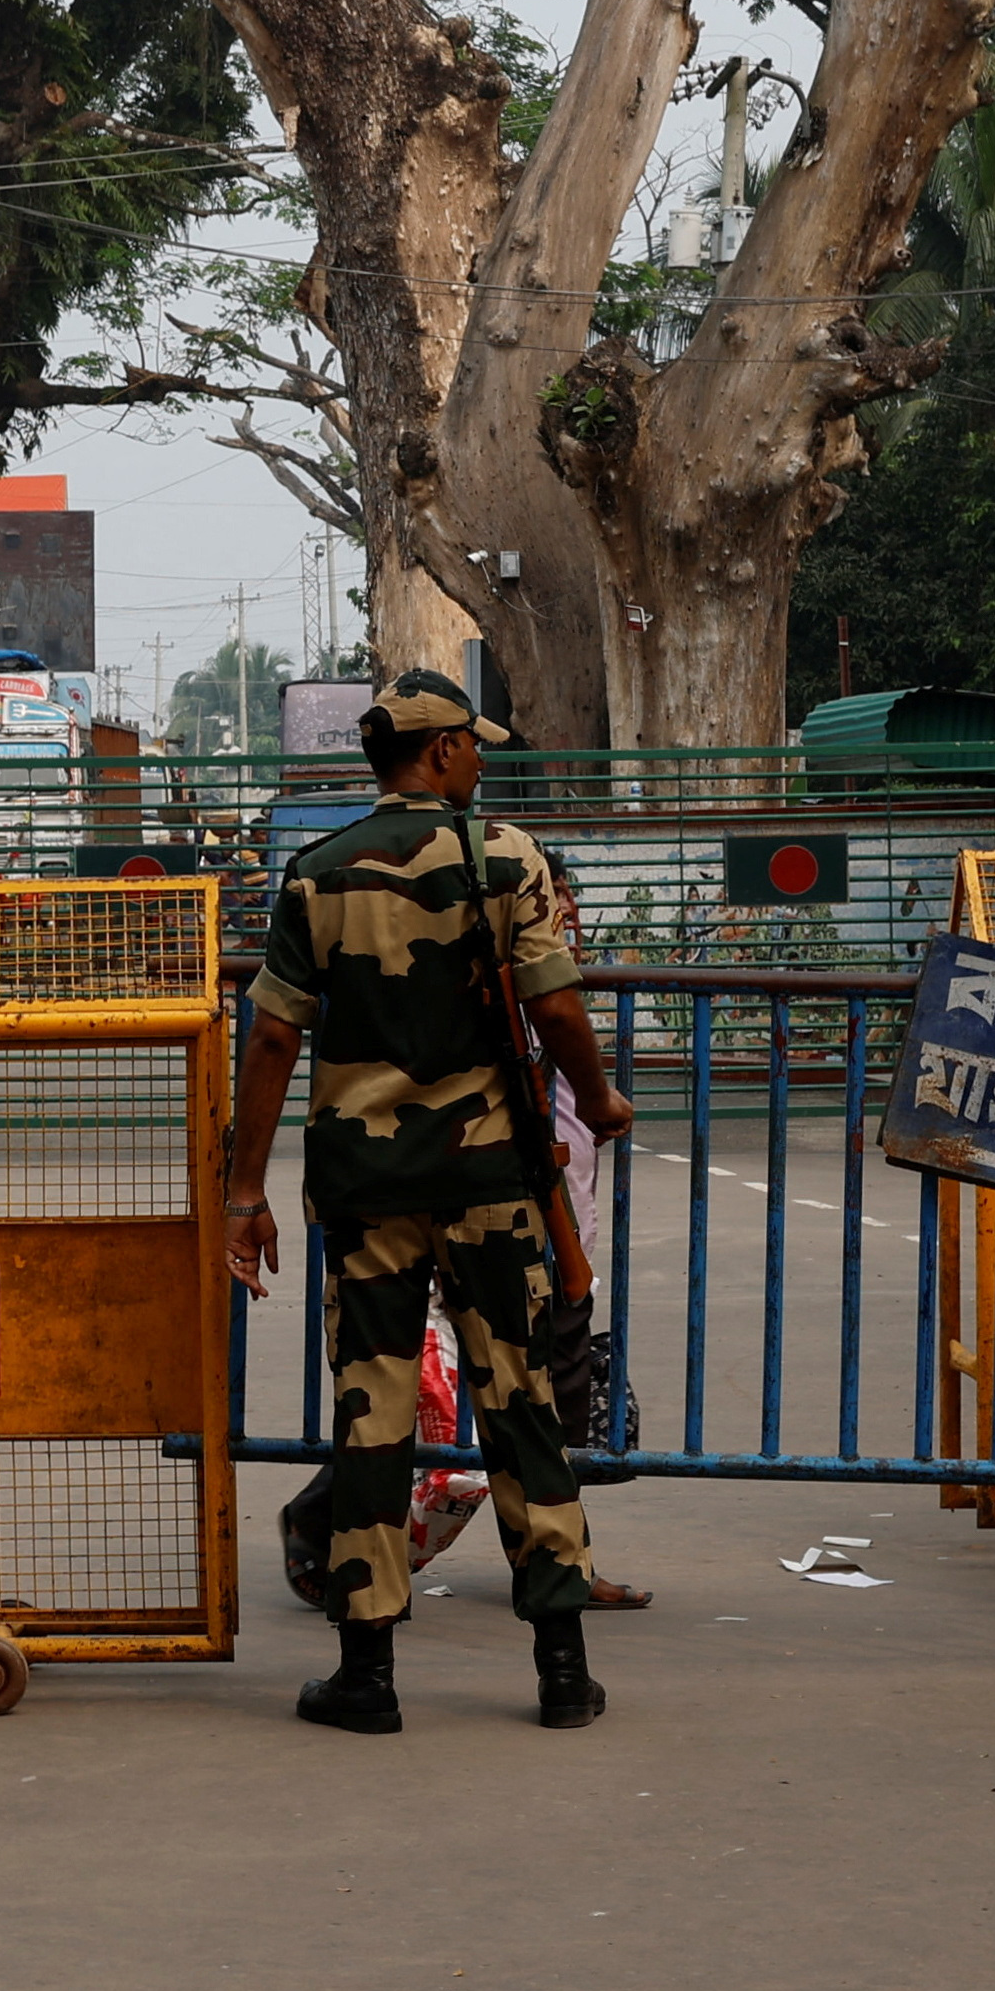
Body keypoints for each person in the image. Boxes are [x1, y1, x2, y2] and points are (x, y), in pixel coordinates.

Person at [224, 668, 638, 1734]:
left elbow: (271, 1035)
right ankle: (559, 1664)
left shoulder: (314, 874)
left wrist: (243, 1188)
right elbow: (554, 1002)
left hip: (365, 1191)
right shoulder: (503, 855)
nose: (481, 758)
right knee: (519, 1407)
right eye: (471, 742)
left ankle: (366, 1670)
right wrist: (595, 1098)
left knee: (375, 1415)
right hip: (491, 1182)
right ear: (439, 751)